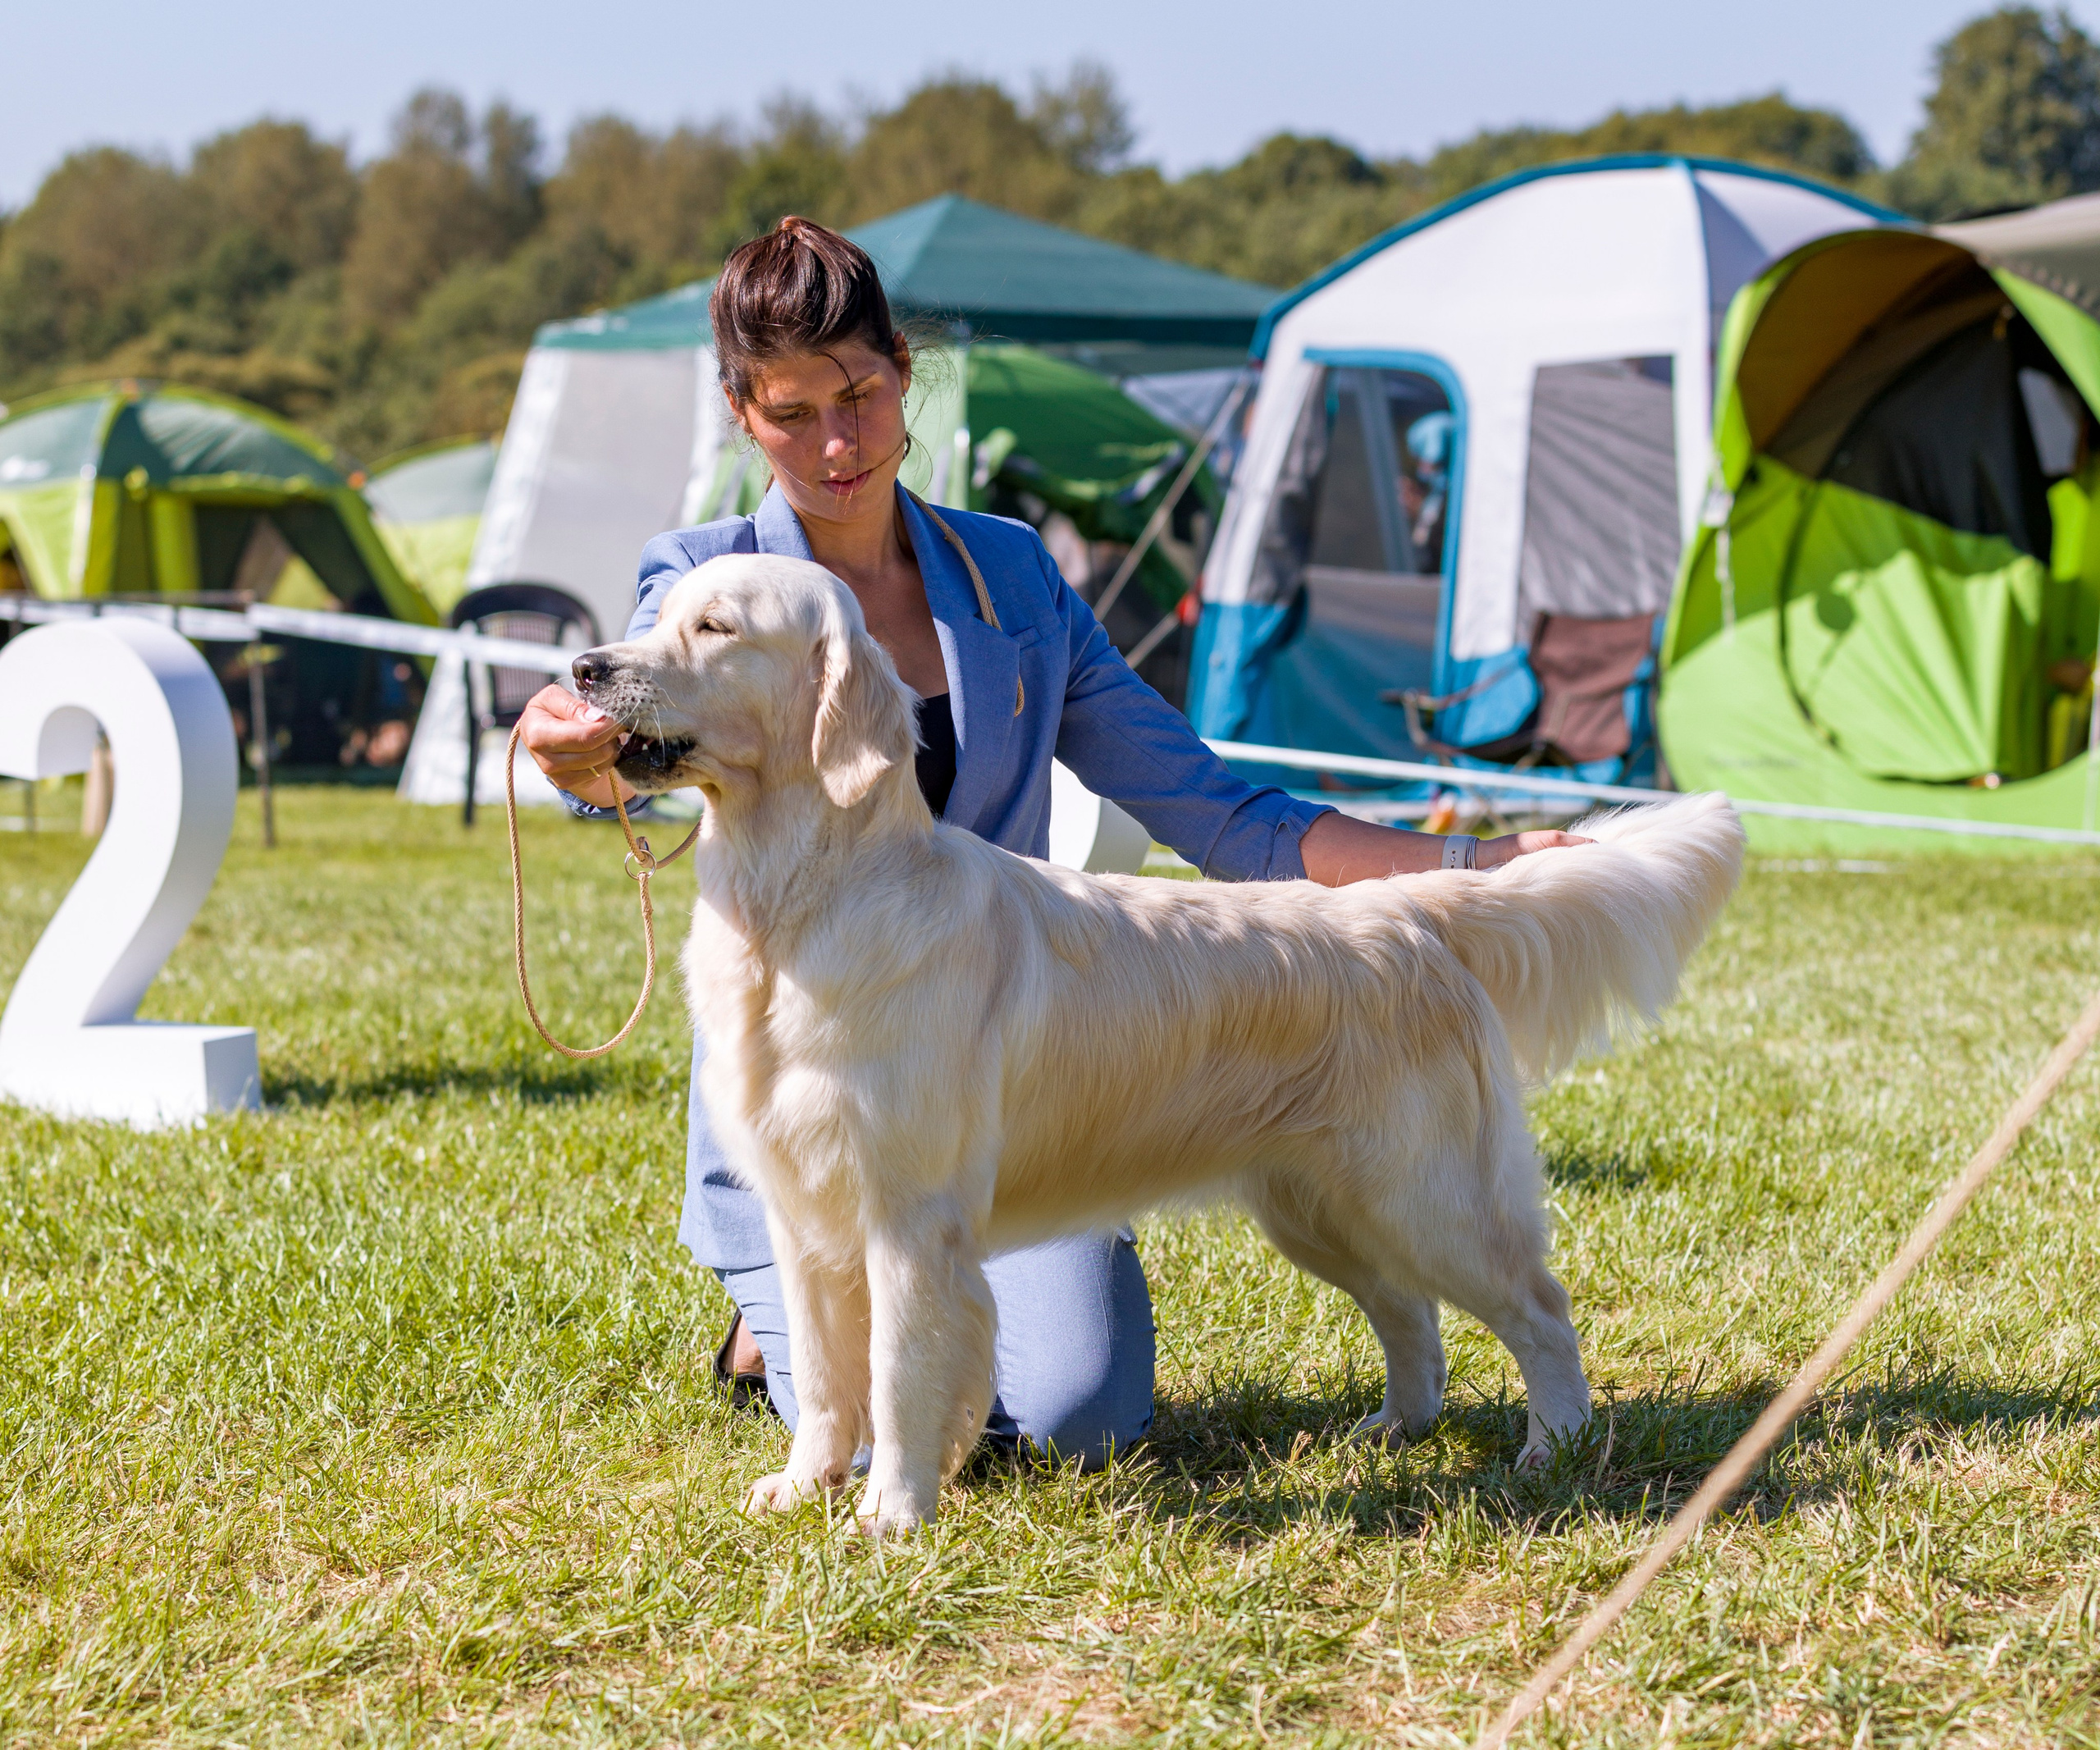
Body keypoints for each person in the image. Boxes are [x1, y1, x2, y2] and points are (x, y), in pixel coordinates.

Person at [517, 217, 1582, 1469]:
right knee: (898, 1425)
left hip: (1018, 1100)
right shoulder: (706, 576)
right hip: (818, 1108)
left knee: (1080, 1418)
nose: (839, 444)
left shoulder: (1012, 576)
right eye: (794, 414)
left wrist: (1470, 869)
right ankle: (781, 1313)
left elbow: (1219, 812)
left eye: (859, 396)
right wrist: (576, 750)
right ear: (742, 413)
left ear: (904, 371)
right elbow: (630, 720)